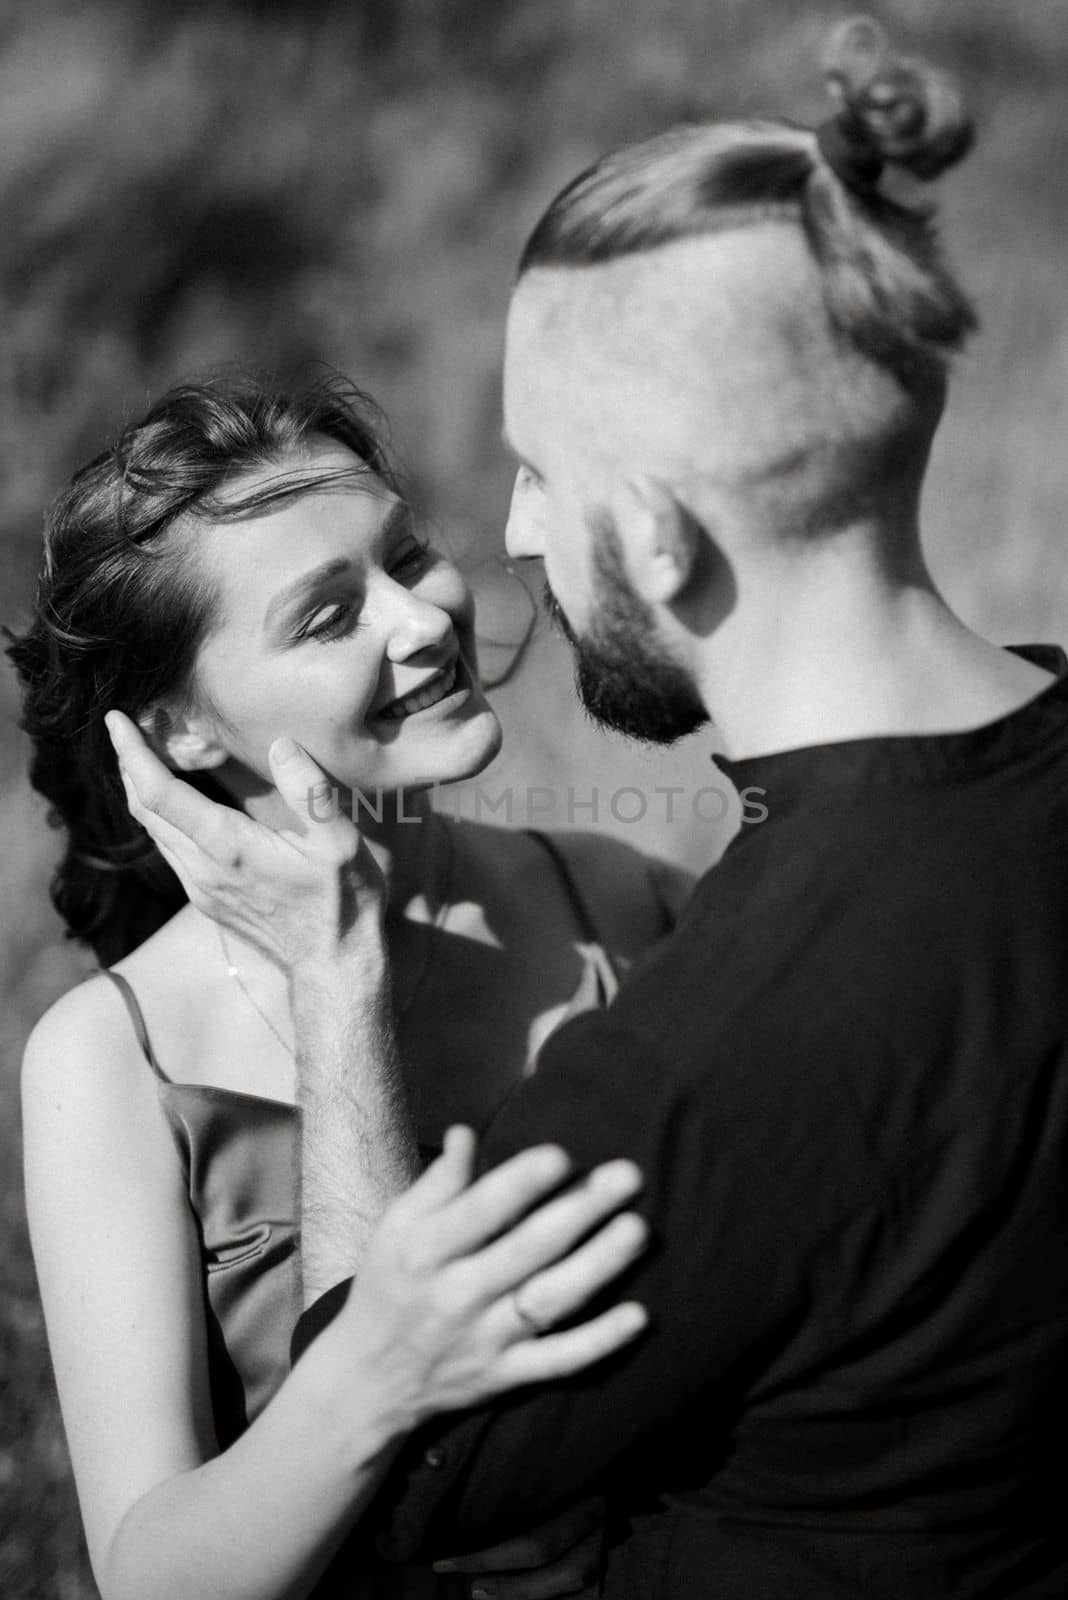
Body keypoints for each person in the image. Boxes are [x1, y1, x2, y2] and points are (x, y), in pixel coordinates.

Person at [109, 19, 1068, 1599]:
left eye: (540, 476)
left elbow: (402, 1468)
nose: (513, 532)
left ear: (656, 536)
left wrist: (337, 996)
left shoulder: (710, 1047)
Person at [10, 371, 699, 1600]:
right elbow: (154, 1578)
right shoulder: (112, 1059)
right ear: (177, 729)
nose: (424, 620)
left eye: (407, 556)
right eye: (329, 617)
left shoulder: (628, 904)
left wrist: (618, 1498)